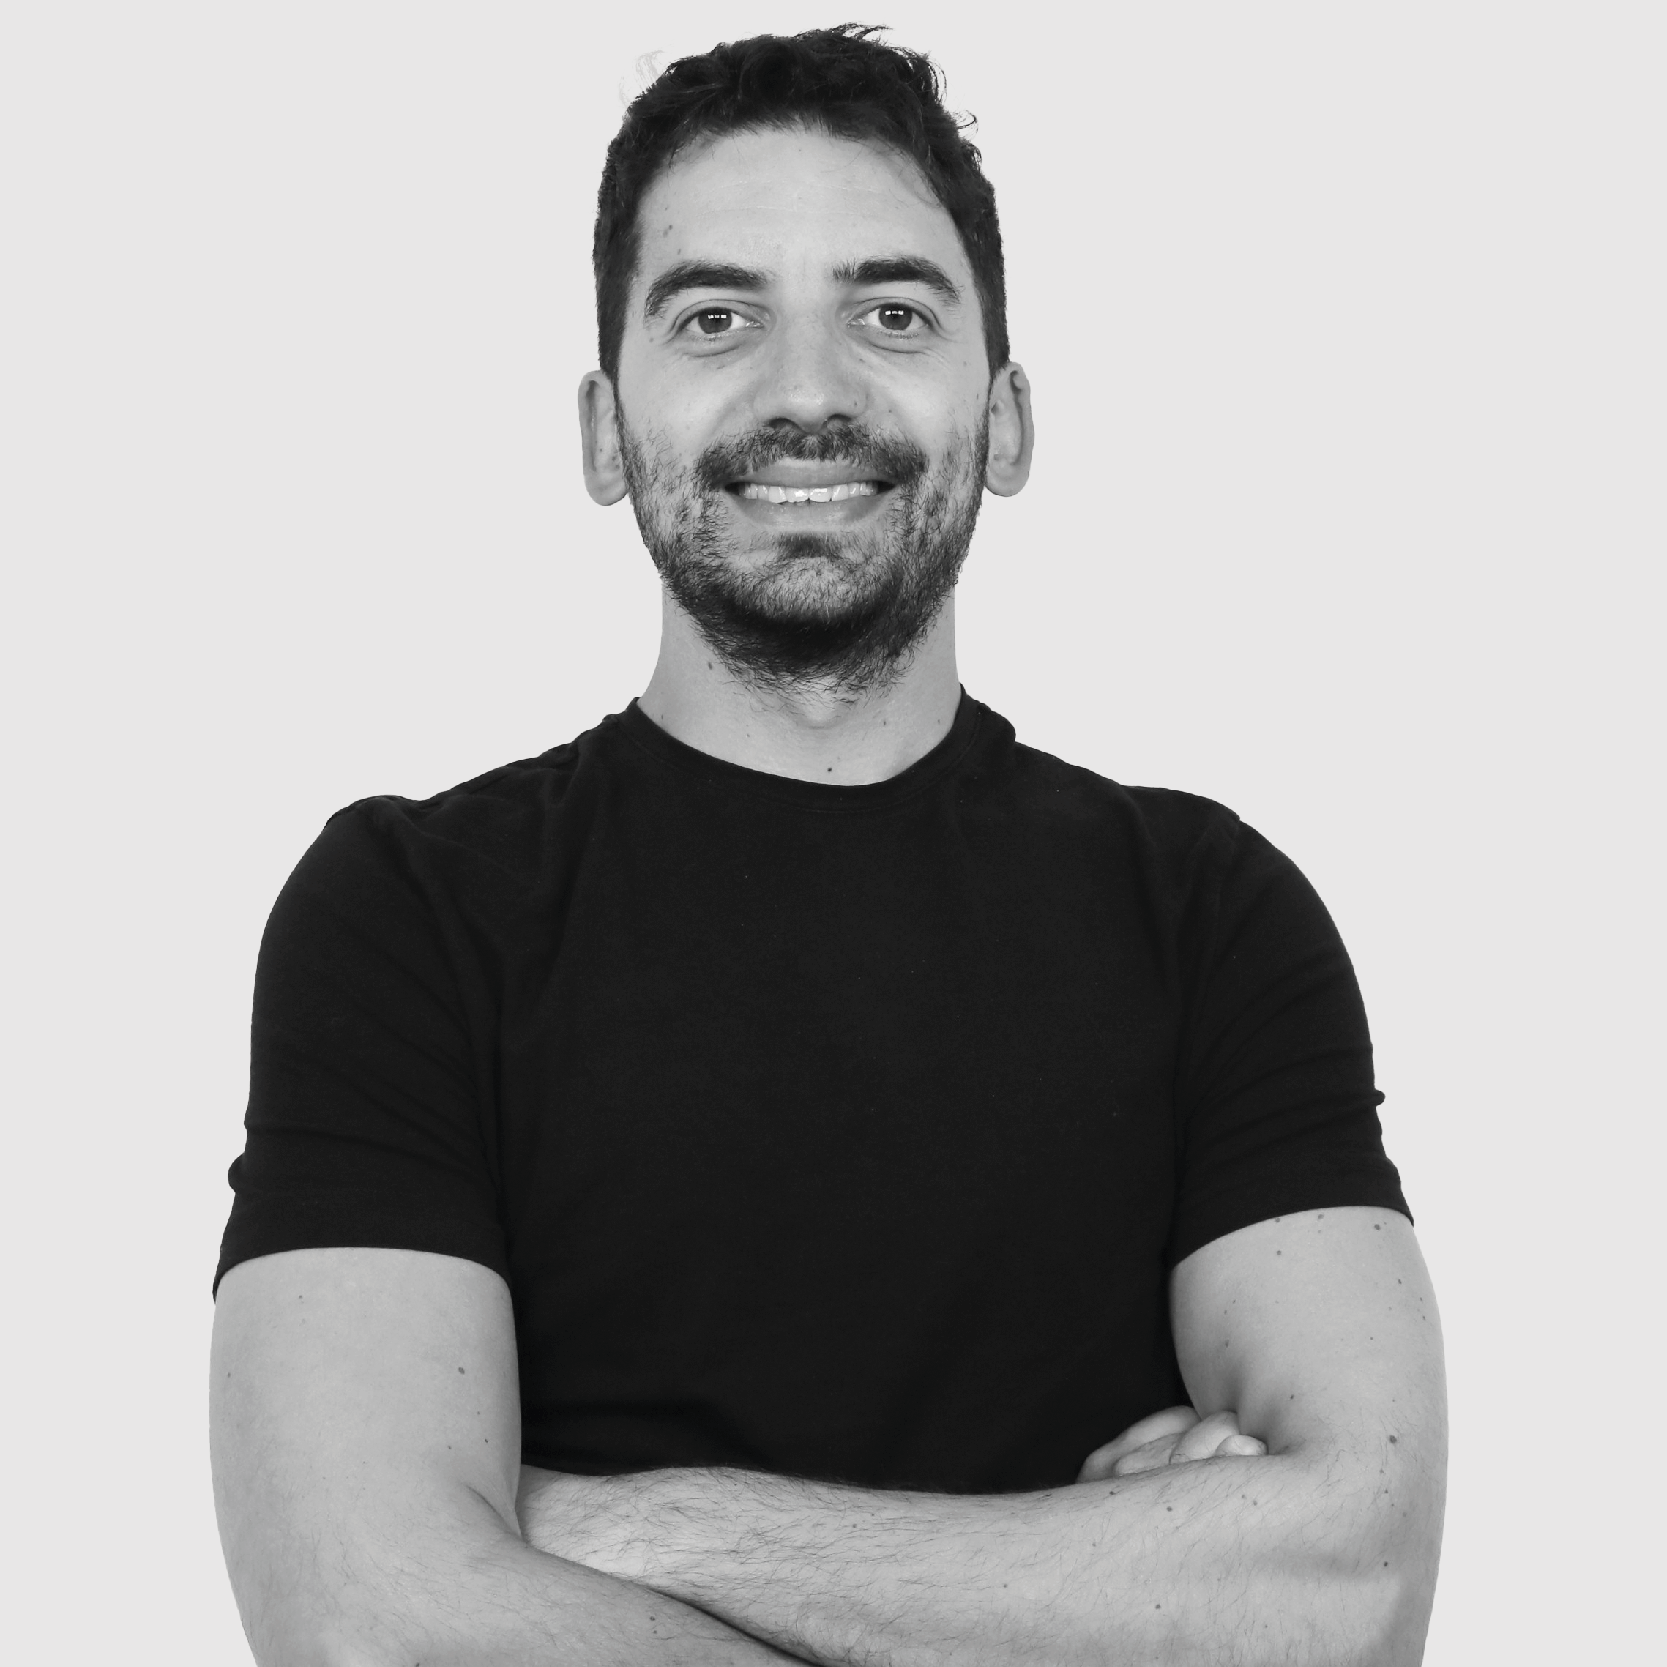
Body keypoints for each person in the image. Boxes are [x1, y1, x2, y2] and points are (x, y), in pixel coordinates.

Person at [210, 24, 1447, 1667]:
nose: (806, 394)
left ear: (1006, 420)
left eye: (891, 313)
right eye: (715, 317)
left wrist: (606, 1521)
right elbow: (373, 1619)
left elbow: (1347, 1588)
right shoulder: (407, 914)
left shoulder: (1211, 916)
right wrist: (1130, 1593)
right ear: (604, 432)